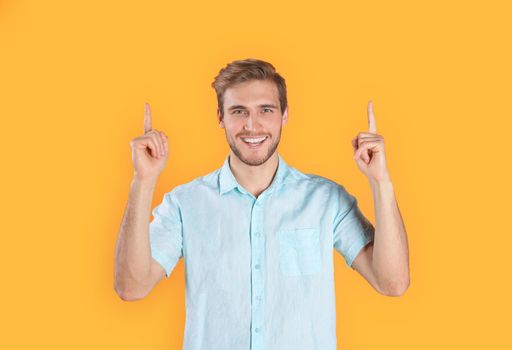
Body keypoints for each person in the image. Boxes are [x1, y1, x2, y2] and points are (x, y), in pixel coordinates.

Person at [114, 58, 410, 350]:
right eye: (238, 111)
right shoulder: (185, 203)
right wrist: (143, 181)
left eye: (265, 110)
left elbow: (392, 283)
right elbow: (132, 286)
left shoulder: (325, 200)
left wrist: (380, 181)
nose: (252, 125)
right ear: (220, 117)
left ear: (284, 115)